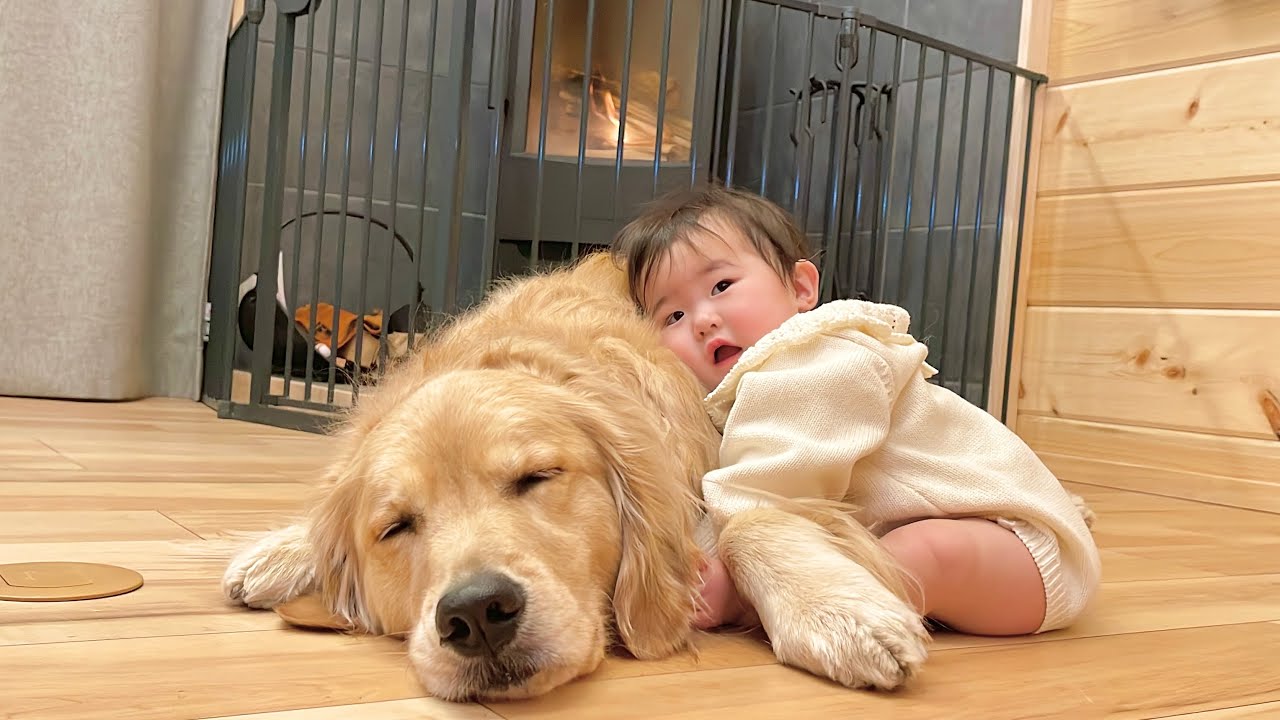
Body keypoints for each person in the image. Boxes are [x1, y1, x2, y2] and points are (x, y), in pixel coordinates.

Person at [610, 183, 1101, 637]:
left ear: (801, 288)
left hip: (1024, 551)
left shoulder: (820, 356)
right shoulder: (737, 394)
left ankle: (754, 601)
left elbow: (772, 484)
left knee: (921, 552)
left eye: (721, 286)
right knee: (882, 552)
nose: (701, 320)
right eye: (673, 315)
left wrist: (724, 569)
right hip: (969, 549)